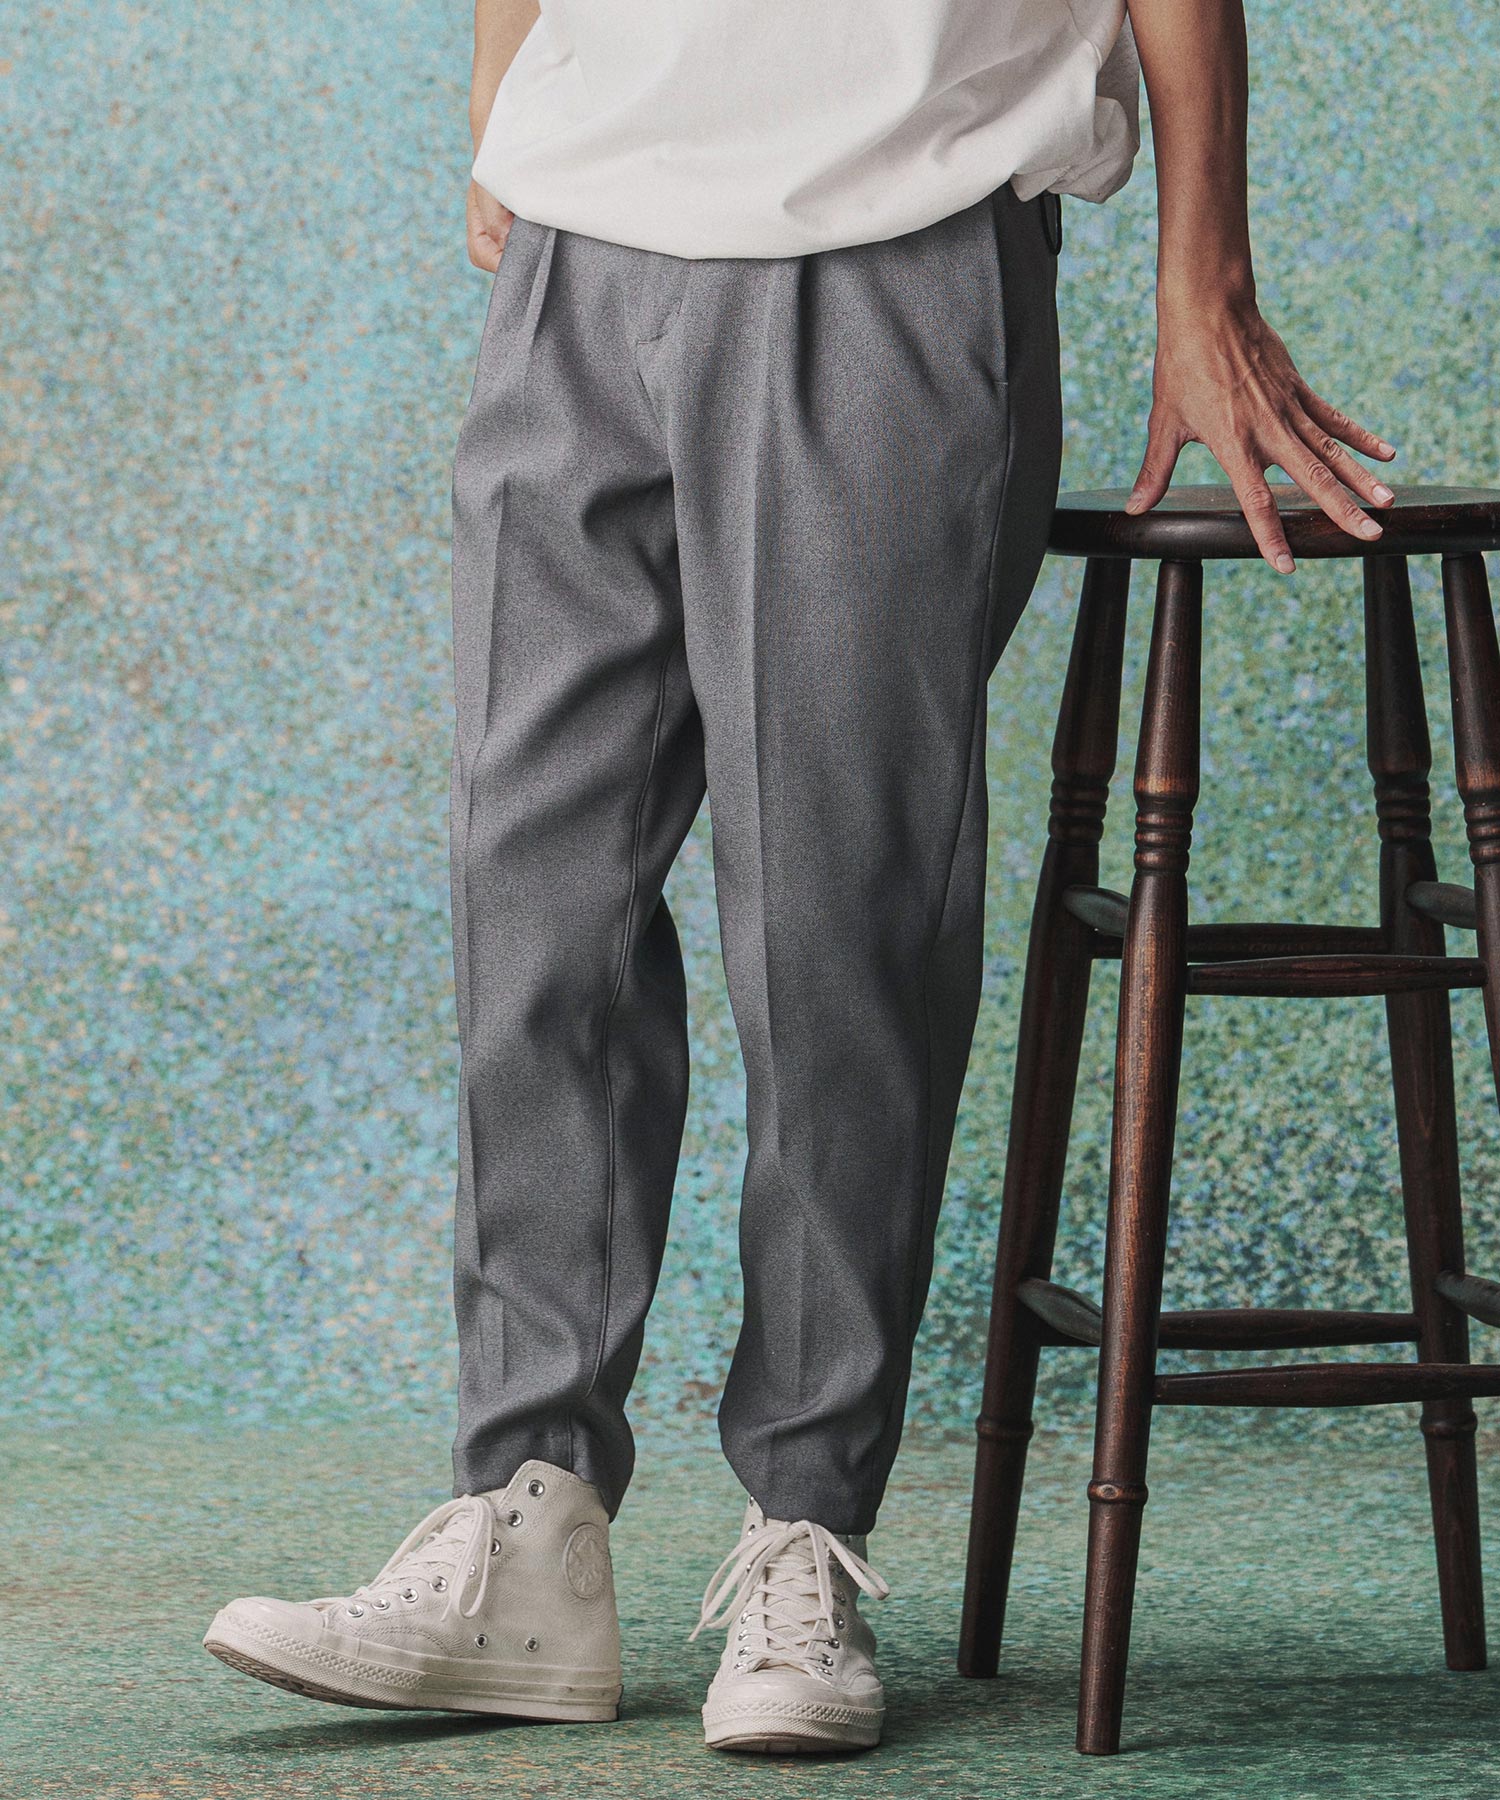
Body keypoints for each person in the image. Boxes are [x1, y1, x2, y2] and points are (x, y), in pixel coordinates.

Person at [202, 0, 1396, 1755]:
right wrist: (503, 85)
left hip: (891, 227)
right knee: (532, 900)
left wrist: (1200, 270)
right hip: (585, 241)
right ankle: (527, 1531)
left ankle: (806, 1527)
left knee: (837, 913)